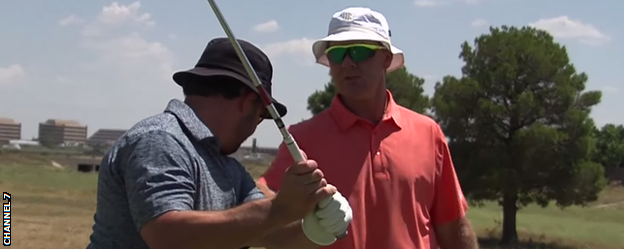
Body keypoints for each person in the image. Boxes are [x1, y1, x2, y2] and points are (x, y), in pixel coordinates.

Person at [85, 37, 352, 249]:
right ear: (248, 102)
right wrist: (280, 208)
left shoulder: (227, 167)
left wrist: (318, 226)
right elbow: (168, 237)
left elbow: (276, 236)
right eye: (262, 115)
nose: (256, 126)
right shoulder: (160, 139)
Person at [256, 7, 479, 249]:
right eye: (338, 54)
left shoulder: (429, 133)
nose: (348, 63)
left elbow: (452, 224)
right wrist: (306, 227)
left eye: (360, 52)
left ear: (385, 58)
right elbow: (261, 200)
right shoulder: (301, 138)